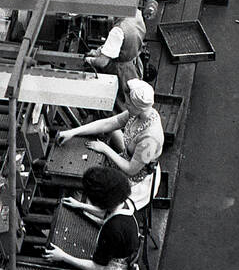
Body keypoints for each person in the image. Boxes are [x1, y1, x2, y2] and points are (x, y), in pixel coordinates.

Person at [44, 164, 140, 270]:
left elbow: (97, 267)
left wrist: (63, 256)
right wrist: (81, 206)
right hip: (128, 268)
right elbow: (107, 212)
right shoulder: (126, 203)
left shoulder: (114, 229)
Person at [55, 78, 164, 211]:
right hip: (129, 154)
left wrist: (105, 149)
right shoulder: (138, 113)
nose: (125, 105)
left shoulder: (150, 139)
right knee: (112, 131)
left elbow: (131, 169)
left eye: (128, 104)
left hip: (135, 176)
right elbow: (109, 123)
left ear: (138, 106)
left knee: (93, 190)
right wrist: (73, 132)